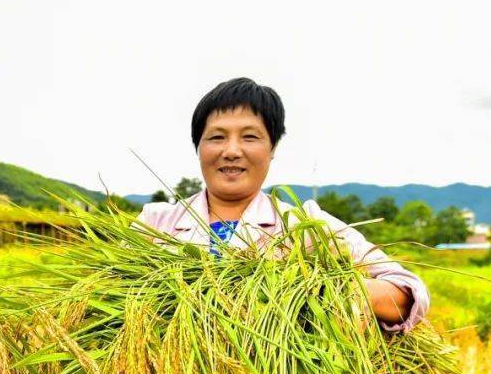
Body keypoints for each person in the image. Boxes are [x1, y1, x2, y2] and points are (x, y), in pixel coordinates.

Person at [139, 77, 429, 332]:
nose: (231, 151)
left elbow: (409, 290)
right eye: (216, 137)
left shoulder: (306, 226)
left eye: (250, 137)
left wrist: (334, 293)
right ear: (199, 147)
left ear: (272, 148)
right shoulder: (155, 224)